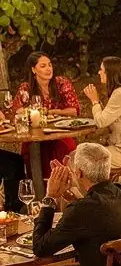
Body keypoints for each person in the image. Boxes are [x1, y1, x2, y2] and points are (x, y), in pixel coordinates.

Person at [10, 50, 81, 178]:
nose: (48, 69)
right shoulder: (26, 88)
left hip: (59, 132)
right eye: (43, 66)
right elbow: (17, 110)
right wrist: (32, 113)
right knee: (31, 150)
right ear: (33, 70)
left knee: (65, 147)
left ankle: (64, 184)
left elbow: (74, 110)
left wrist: (51, 112)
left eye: (49, 65)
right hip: (35, 134)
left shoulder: (61, 83)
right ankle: (39, 186)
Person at [83, 55, 121, 167]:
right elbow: (108, 118)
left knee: (82, 158)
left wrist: (94, 101)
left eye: (101, 70)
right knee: (82, 154)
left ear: (110, 73)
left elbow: (101, 122)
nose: (99, 72)